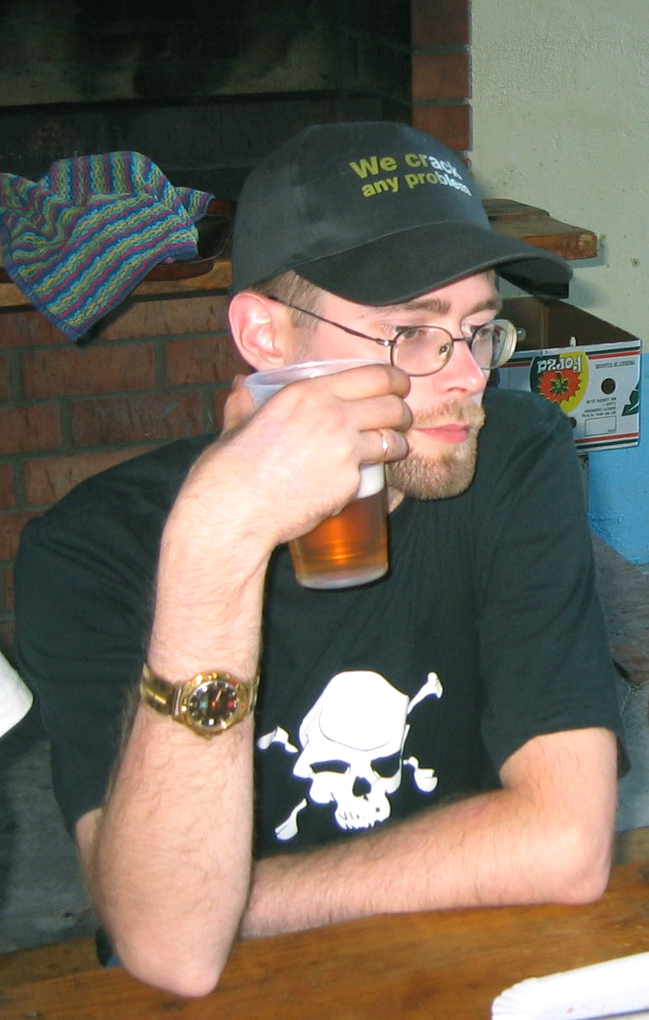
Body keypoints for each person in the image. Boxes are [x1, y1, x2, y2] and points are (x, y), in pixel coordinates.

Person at [14, 122, 624, 997]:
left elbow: (565, 846)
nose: (466, 378)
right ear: (264, 337)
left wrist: (229, 902)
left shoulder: (513, 453)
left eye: (480, 328)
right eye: (411, 333)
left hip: (464, 964)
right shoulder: (90, 551)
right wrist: (215, 550)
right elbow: (175, 957)